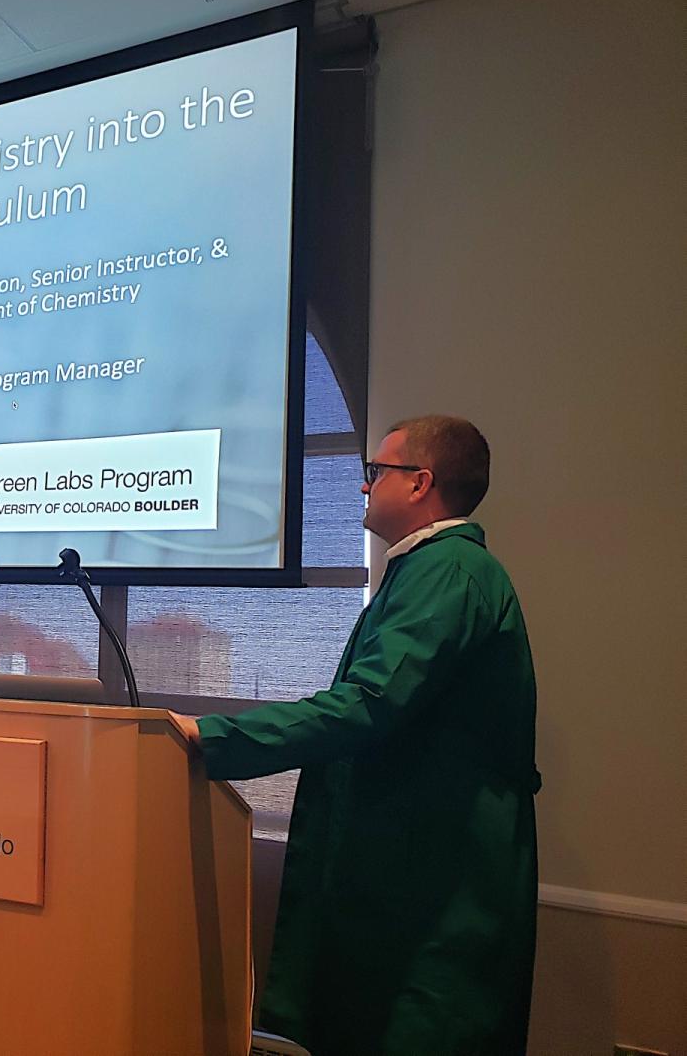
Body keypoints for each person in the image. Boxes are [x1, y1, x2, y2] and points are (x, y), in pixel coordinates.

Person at [186, 415, 539, 1055]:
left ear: (419, 483)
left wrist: (211, 738)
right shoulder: (430, 570)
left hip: (434, 883)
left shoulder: (449, 571)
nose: (364, 487)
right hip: (414, 867)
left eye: (376, 473)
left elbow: (367, 704)